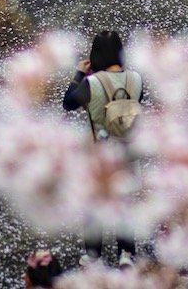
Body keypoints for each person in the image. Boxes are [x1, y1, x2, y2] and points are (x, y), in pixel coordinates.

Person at [61, 30, 144, 267]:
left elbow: (68, 103)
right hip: (128, 153)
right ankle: (126, 254)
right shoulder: (136, 79)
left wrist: (79, 74)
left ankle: (94, 254)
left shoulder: (91, 83)